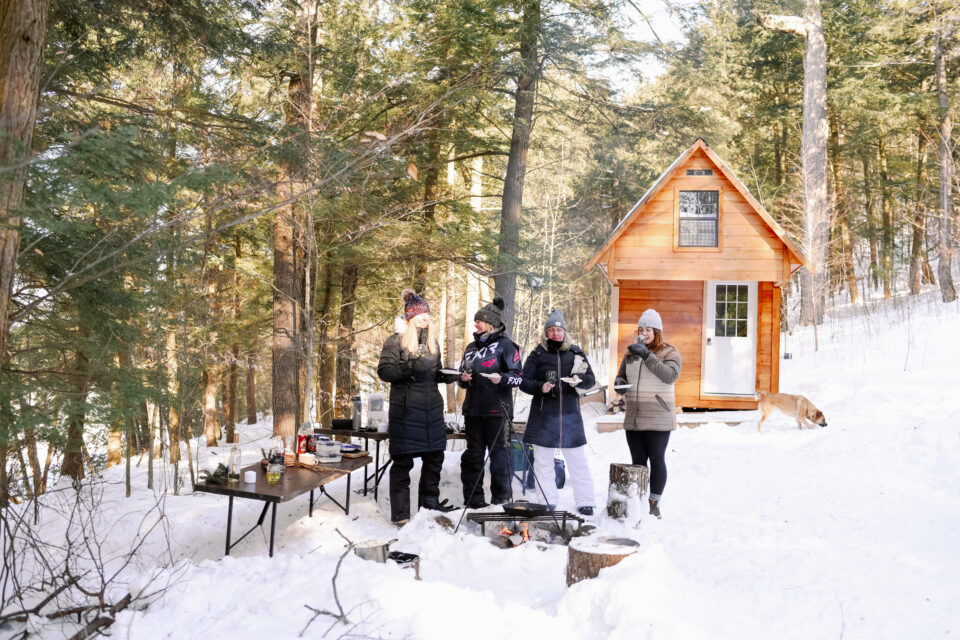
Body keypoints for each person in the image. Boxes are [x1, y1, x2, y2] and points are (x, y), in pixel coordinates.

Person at [377, 288, 459, 525]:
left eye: (426, 314)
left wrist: (452, 376)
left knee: (434, 460)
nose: (424, 318)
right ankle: (401, 515)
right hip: (406, 411)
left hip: (431, 410)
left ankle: (428, 507)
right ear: (410, 317)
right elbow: (385, 372)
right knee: (403, 463)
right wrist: (408, 367)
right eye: (419, 314)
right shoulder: (395, 341)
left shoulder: (433, 342)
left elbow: (434, 373)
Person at [518, 309, 597, 516]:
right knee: (543, 461)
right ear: (546, 333)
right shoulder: (537, 354)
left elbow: (590, 380)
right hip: (544, 415)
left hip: (570, 415)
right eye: (551, 330)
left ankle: (586, 501)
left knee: (577, 460)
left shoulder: (576, 353)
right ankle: (547, 500)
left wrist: (579, 381)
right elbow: (524, 382)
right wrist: (539, 387)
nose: (555, 333)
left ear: (564, 332)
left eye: (558, 330)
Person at [614, 308, 682, 519]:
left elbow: (669, 376)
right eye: (640, 329)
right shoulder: (630, 353)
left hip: (658, 415)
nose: (643, 333)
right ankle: (639, 500)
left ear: (657, 331)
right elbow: (621, 377)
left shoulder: (670, 352)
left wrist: (647, 355)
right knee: (637, 461)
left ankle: (654, 502)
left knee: (656, 458)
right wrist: (619, 384)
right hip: (635, 414)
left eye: (648, 329)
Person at [458, 296, 523, 508]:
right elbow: (462, 375)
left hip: (498, 412)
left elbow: (518, 376)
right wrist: (463, 379)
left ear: (491, 323)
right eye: (476, 321)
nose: (475, 324)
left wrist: (501, 378)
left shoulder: (506, 346)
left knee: (500, 458)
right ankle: (474, 501)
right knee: (472, 458)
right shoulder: (469, 348)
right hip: (473, 412)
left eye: (479, 321)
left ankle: (501, 501)